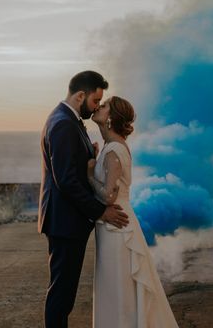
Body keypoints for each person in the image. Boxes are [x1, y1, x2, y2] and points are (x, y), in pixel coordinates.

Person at [38, 71, 130, 328]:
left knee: (64, 293)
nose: (97, 106)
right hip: (64, 222)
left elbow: (71, 167)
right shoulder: (64, 123)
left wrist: (91, 153)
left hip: (66, 221)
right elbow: (65, 180)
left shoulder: (68, 120)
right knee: (61, 294)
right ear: (81, 95)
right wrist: (100, 211)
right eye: (94, 101)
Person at [88, 96, 178, 328]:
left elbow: (108, 196)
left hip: (116, 228)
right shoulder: (112, 147)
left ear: (111, 118)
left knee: (117, 288)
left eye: (104, 105)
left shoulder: (113, 150)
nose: (99, 107)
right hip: (116, 226)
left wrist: (88, 175)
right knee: (117, 287)